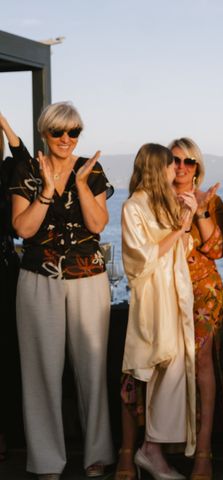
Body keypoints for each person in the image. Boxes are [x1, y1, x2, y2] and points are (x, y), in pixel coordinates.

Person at [8, 103, 114, 479]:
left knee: (92, 369)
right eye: (59, 132)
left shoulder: (91, 169)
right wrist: (48, 193)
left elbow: (98, 223)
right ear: (44, 133)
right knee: (40, 372)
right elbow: (24, 228)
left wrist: (81, 185)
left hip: (88, 278)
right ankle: (46, 460)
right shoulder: (26, 169)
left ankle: (96, 454)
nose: (67, 139)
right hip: (39, 278)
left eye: (74, 132)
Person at [117, 143, 197, 480]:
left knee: (176, 371)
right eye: (168, 165)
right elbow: (140, 258)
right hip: (153, 301)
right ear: (155, 167)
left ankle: (153, 448)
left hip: (175, 296)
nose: (173, 171)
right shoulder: (133, 206)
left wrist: (187, 219)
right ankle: (147, 449)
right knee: (153, 370)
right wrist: (178, 228)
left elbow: (183, 245)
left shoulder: (162, 203)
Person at [169, 137, 223, 480]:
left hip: (203, 290)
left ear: (197, 166)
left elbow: (218, 249)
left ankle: (204, 452)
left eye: (188, 161)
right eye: (175, 160)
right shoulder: (156, 199)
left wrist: (204, 210)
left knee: (203, 363)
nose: (181, 167)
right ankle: (169, 445)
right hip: (166, 292)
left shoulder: (211, 198)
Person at [0, 114, 21, 464]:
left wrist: (4, 124)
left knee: (4, 352)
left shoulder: (7, 171)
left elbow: (25, 161)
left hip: (3, 268)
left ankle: (3, 434)